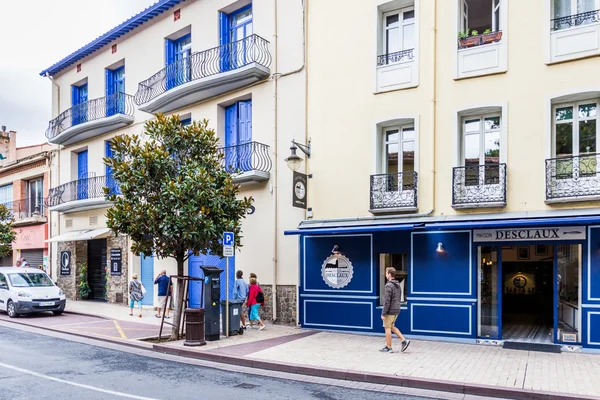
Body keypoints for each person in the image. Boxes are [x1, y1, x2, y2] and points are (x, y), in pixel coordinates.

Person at [380, 267, 410, 353]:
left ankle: (389, 348)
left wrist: (383, 313)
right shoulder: (397, 284)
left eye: (386, 273)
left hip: (390, 310)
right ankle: (404, 340)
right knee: (392, 326)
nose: (385, 275)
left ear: (389, 274)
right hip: (396, 309)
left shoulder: (388, 285)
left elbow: (387, 301)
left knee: (387, 327)